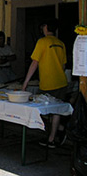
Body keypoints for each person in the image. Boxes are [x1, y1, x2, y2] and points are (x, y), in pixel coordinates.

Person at [22, 18, 68, 148]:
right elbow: (63, 66)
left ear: (46, 27)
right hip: (61, 82)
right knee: (56, 111)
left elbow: (34, 63)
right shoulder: (61, 43)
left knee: (43, 111)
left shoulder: (42, 42)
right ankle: (56, 132)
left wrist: (26, 82)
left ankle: (52, 137)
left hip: (48, 83)